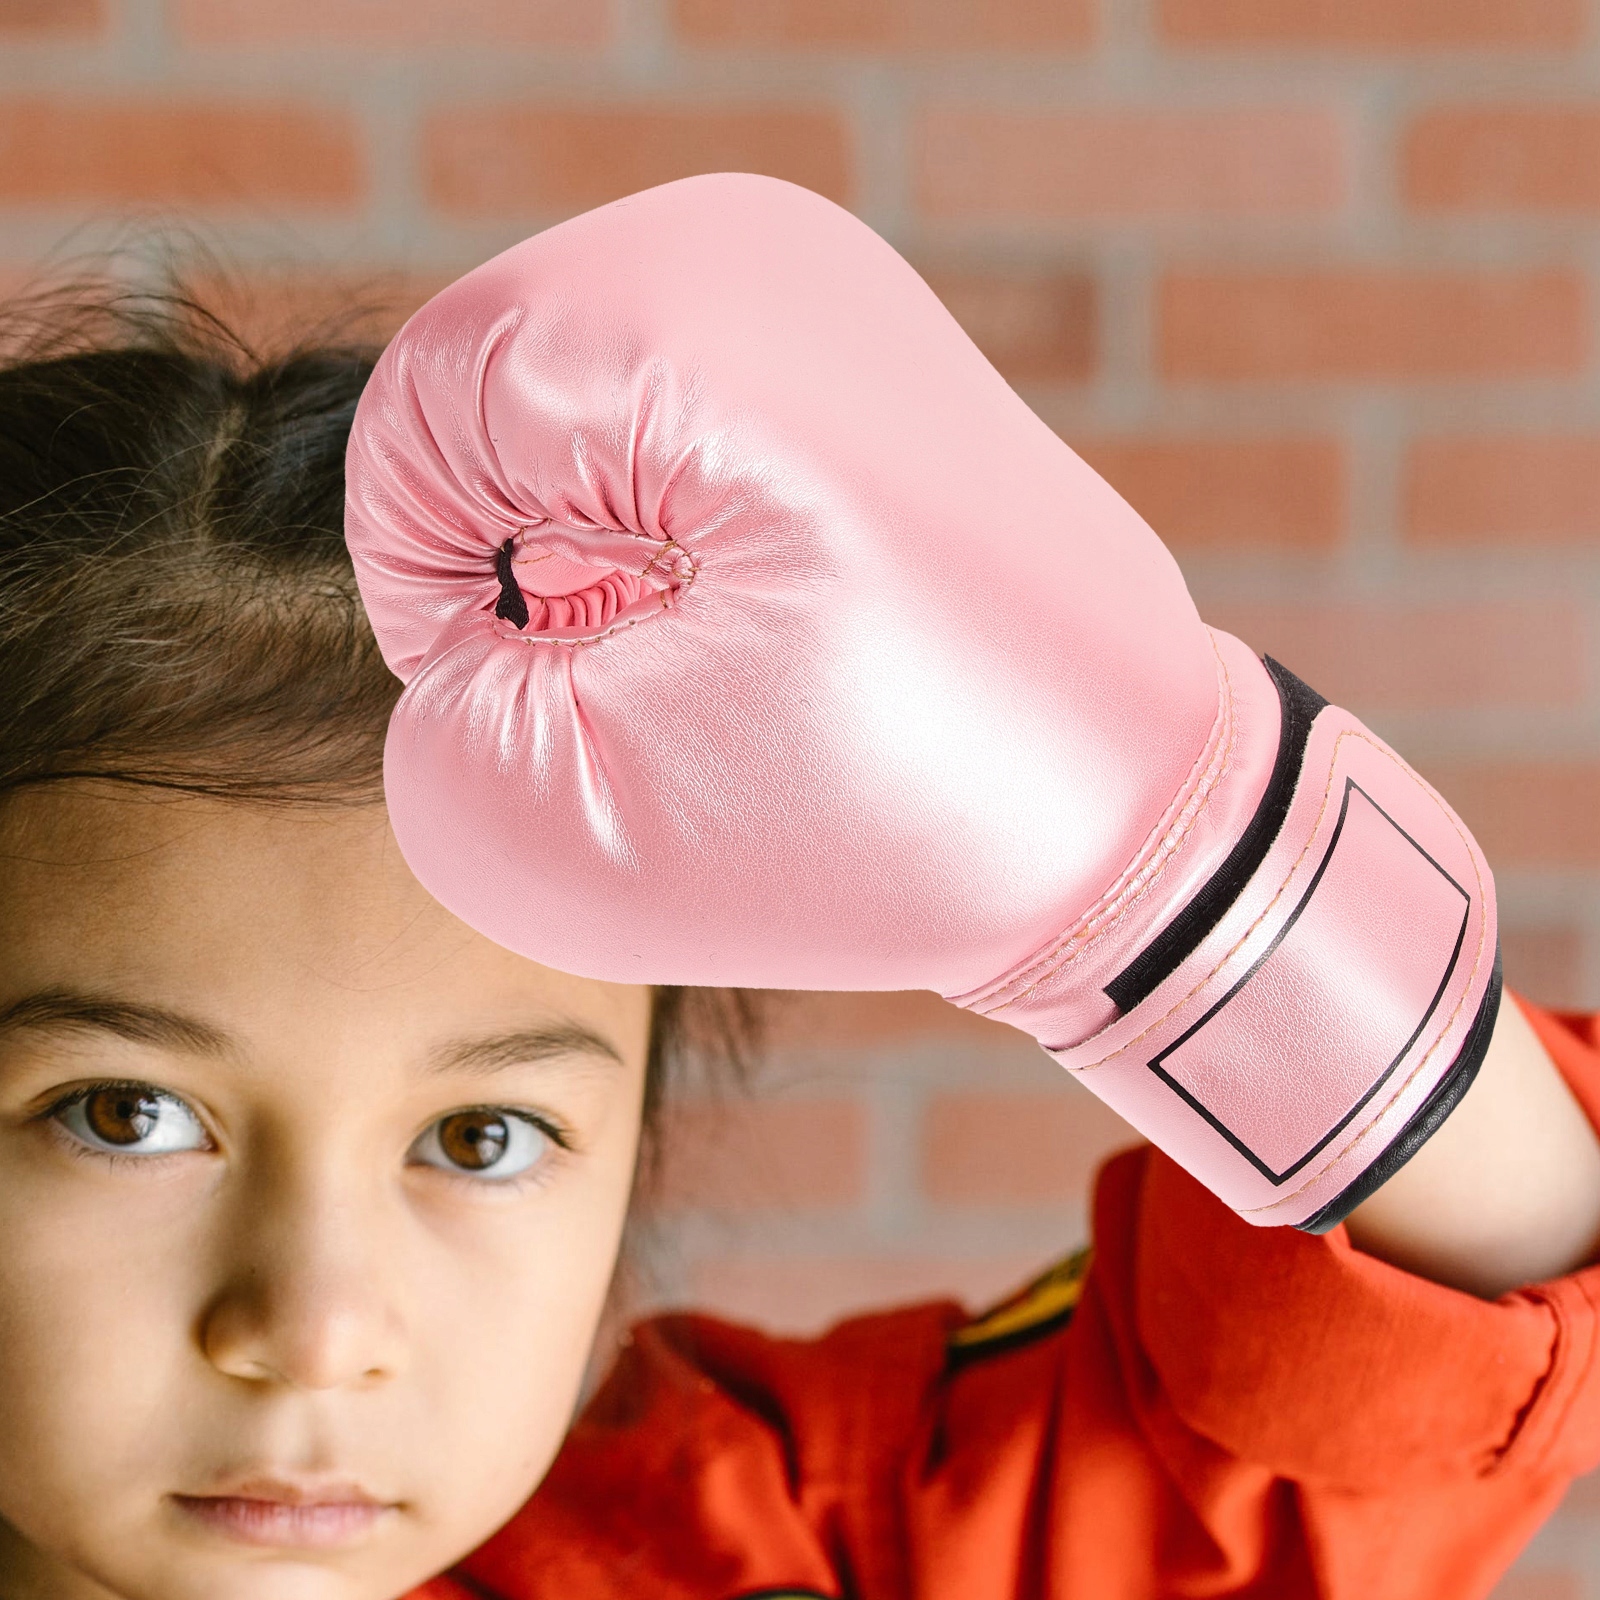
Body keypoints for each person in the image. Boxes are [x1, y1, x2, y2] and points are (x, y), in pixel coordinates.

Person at [0, 188, 1591, 1600]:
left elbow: (1443, 1347)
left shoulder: (797, 1549)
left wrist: (1179, 867)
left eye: (484, 1139)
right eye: (123, 1116)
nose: (314, 1332)